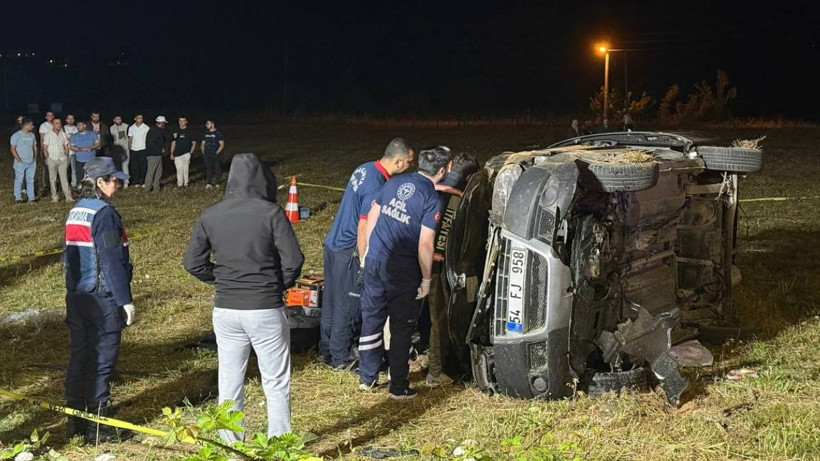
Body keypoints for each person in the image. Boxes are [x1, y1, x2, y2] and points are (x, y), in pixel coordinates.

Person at [184, 153, 304, 443]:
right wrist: (278, 285)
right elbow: (294, 261)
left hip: (226, 309)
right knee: (275, 381)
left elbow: (192, 263)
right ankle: (278, 444)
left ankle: (229, 446)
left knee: (229, 382)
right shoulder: (271, 214)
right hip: (265, 308)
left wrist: (221, 279)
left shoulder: (210, 214)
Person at [357, 146, 452, 399]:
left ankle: (367, 377)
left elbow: (374, 215)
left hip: (376, 261)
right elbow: (425, 243)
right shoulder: (432, 198)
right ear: (442, 171)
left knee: (372, 319)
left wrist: (368, 253)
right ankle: (397, 385)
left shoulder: (394, 182)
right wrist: (426, 279)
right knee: (401, 327)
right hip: (403, 271)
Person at [319, 138, 415, 369]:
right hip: (349, 250)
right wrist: (364, 262)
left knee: (331, 300)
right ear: (399, 162)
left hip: (333, 243)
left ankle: (325, 351)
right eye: (409, 162)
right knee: (347, 305)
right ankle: (341, 359)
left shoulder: (364, 168)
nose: (410, 166)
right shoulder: (377, 185)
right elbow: (363, 226)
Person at [63, 157, 133, 443]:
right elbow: (112, 260)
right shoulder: (104, 213)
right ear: (100, 183)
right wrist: (124, 299)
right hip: (102, 297)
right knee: (102, 360)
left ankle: (75, 418)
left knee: (80, 355)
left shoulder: (76, 210)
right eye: (114, 179)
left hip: (77, 296)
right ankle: (99, 426)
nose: (118, 183)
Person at [425, 152, 480, 387]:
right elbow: (445, 241)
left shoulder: (432, 188)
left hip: (412, 264)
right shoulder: (457, 198)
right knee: (440, 319)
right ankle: (436, 372)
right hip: (436, 269)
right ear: (469, 178)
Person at [43, 117, 72, 202]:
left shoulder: (63, 133)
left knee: (64, 178)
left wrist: (66, 155)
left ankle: (68, 197)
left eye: (59, 123)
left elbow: (66, 145)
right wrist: (47, 158)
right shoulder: (48, 134)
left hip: (62, 158)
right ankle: (54, 197)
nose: (58, 125)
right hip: (52, 158)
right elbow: (44, 147)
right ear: (52, 124)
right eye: (56, 123)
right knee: (53, 179)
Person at [10, 118, 38, 203]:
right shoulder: (16, 136)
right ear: (26, 125)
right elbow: (12, 149)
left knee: (30, 180)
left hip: (31, 162)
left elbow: (34, 147)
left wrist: (34, 158)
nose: (32, 126)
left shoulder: (32, 135)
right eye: (31, 125)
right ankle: (18, 198)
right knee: (19, 179)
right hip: (21, 162)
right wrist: (19, 160)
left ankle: (31, 197)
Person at [70, 121, 101, 187]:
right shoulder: (74, 136)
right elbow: (72, 147)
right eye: (77, 125)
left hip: (91, 159)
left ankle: (92, 189)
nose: (78, 127)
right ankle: (80, 189)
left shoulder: (92, 134)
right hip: (79, 160)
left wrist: (91, 148)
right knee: (80, 176)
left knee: (91, 176)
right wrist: (80, 149)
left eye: (80, 125)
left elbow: (98, 144)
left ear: (84, 126)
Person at [144, 116, 169, 192]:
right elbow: (150, 143)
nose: (164, 125)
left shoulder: (159, 131)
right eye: (164, 123)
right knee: (151, 172)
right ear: (161, 123)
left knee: (158, 172)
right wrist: (160, 149)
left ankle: (156, 188)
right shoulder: (153, 131)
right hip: (153, 155)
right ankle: (147, 189)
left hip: (157, 155)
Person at [171, 116, 196, 187]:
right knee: (179, 169)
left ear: (186, 122)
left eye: (183, 121)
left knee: (186, 169)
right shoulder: (176, 131)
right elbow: (173, 142)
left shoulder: (189, 131)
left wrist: (190, 153)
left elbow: (194, 143)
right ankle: (179, 184)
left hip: (186, 153)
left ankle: (186, 183)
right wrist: (172, 153)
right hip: (177, 154)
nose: (181, 122)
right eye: (180, 121)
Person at [127, 114, 150, 187]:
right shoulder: (131, 128)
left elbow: (148, 139)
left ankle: (143, 181)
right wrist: (129, 147)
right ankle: (137, 182)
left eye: (141, 118)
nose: (140, 119)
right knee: (134, 166)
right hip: (133, 149)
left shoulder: (146, 127)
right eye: (139, 118)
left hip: (142, 149)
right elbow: (130, 139)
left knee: (143, 166)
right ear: (135, 119)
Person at [201, 120, 225, 188]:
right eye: (206, 124)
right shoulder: (205, 134)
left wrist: (217, 152)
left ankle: (217, 183)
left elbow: (222, 144)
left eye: (208, 124)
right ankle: (209, 183)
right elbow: (202, 144)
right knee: (209, 169)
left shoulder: (218, 134)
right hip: (207, 154)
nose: (206, 125)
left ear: (212, 124)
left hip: (215, 154)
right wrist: (203, 152)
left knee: (217, 168)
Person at [38, 111, 56, 197]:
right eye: (48, 115)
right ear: (46, 117)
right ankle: (46, 185)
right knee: (46, 168)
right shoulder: (43, 126)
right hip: (47, 149)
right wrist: (44, 149)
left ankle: (55, 184)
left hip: (55, 150)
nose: (50, 117)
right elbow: (42, 139)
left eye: (51, 115)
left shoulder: (56, 124)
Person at [110, 115, 130, 186]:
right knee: (117, 167)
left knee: (125, 166)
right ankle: (118, 182)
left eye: (119, 119)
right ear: (114, 120)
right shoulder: (112, 128)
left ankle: (126, 182)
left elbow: (129, 137)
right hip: (116, 150)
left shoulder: (126, 126)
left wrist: (128, 146)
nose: (118, 121)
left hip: (125, 149)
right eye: (117, 119)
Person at [64, 115, 79, 188]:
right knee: (65, 169)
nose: (70, 120)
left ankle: (74, 184)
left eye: (72, 119)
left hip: (75, 152)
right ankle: (64, 184)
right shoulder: (63, 128)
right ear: (66, 120)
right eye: (68, 118)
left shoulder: (76, 128)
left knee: (74, 169)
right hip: (66, 152)